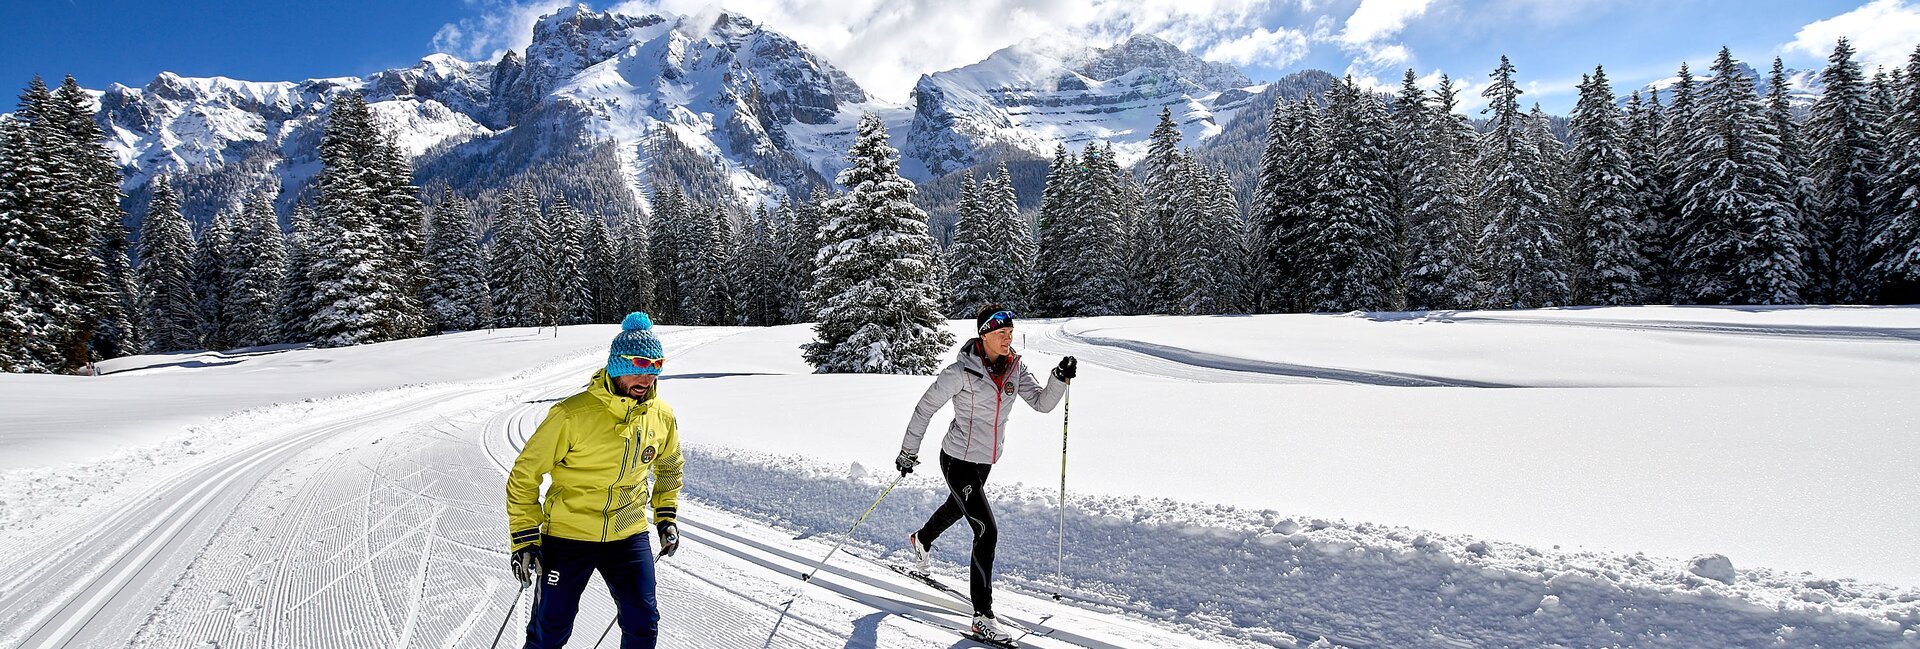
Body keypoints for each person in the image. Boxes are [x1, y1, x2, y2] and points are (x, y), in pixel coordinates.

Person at [895, 304, 1078, 645]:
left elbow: (1041, 403)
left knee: (957, 508)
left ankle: (921, 540)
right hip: (956, 460)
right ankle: (982, 616)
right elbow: (925, 408)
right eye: (1000, 333)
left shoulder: (1015, 369)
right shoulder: (960, 372)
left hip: (984, 462)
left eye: (1010, 332)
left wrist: (1059, 378)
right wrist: (908, 452)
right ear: (984, 335)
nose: (1008, 338)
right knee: (986, 530)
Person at [507, 312, 683, 649]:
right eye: (638, 366)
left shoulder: (661, 415)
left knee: (643, 624)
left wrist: (666, 516)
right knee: (550, 629)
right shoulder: (571, 415)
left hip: (628, 535)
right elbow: (524, 475)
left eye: (655, 367)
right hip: (568, 537)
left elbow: (670, 466)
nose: (646, 378)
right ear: (617, 367)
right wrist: (525, 537)